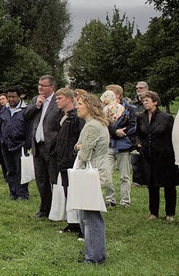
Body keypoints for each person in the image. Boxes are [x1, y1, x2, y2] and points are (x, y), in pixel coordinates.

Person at [74, 93, 110, 264]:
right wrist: (79, 146)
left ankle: (95, 257)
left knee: (91, 218)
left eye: (80, 103)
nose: (77, 106)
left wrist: (79, 147)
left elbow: (84, 153)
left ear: (89, 106)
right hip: (96, 172)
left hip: (91, 175)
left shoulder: (92, 126)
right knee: (88, 216)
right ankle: (93, 253)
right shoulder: (95, 124)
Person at [134, 90, 178, 221]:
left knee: (169, 185)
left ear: (155, 102)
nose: (144, 102)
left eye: (147, 100)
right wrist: (139, 143)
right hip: (148, 156)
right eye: (143, 101)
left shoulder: (166, 117)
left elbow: (173, 137)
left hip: (166, 156)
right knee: (152, 185)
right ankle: (154, 212)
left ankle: (170, 213)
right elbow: (137, 133)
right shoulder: (140, 117)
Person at [23, 75, 60, 218]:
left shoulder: (58, 101)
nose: (40, 88)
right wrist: (36, 105)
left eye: (44, 85)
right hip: (37, 146)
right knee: (41, 180)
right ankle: (45, 209)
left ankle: (57, 209)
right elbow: (26, 116)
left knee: (55, 180)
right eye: (39, 85)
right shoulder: (35, 100)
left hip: (52, 147)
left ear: (52, 87)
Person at [52, 88, 84, 236]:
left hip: (73, 160)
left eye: (60, 98)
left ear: (70, 99)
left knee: (76, 192)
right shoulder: (63, 116)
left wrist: (74, 154)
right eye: (56, 98)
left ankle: (80, 224)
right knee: (67, 192)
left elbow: (81, 139)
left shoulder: (77, 117)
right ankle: (72, 223)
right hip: (62, 160)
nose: (57, 101)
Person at [102, 85, 137, 208]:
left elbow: (133, 124)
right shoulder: (104, 108)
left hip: (123, 144)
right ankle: (110, 199)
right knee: (107, 173)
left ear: (118, 95)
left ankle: (125, 200)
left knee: (124, 175)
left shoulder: (129, 109)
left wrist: (123, 132)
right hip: (109, 143)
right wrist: (115, 131)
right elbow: (104, 123)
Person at [0, 87, 30, 201]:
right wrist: (0, 139)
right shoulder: (4, 110)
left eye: (13, 96)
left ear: (19, 96)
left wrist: (26, 143)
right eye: (9, 97)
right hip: (6, 144)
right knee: (10, 169)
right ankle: (13, 191)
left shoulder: (25, 109)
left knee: (21, 170)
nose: (11, 99)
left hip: (20, 144)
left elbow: (29, 128)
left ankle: (22, 193)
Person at [131, 81, 149, 187]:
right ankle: (137, 180)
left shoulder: (150, 100)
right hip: (135, 132)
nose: (138, 90)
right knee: (135, 158)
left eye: (141, 88)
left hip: (146, 132)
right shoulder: (134, 103)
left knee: (147, 159)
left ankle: (147, 180)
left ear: (146, 89)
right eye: (137, 88)